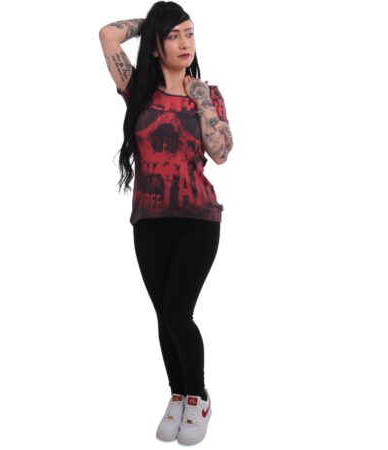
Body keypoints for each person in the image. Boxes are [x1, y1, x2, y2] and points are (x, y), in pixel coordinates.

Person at [98, 1, 233, 445]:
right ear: (156, 45)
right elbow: (108, 35)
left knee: (177, 311)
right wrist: (153, 24)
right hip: (149, 219)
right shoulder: (137, 90)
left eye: (189, 33)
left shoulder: (207, 94)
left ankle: (198, 396)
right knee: (164, 314)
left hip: (198, 219)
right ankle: (177, 393)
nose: (184, 43)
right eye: (173, 36)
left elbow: (221, 152)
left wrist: (201, 101)